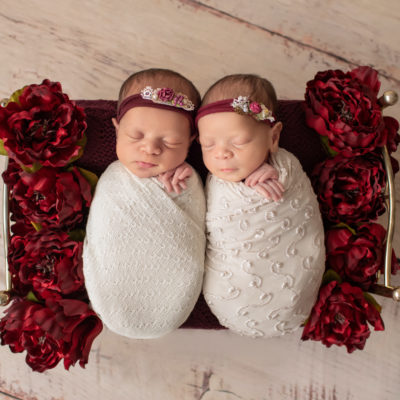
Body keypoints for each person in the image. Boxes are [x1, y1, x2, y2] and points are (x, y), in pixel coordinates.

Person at [196, 74, 325, 338]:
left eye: (239, 141)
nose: (221, 153)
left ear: (273, 137)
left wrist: (276, 176)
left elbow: (300, 212)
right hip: (231, 291)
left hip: (292, 282)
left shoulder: (286, 167)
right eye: (208, 144)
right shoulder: (214, 184)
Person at [83, 68, 206, 339]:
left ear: (190, 143)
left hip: (171, 280)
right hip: (116, 273)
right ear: (117, 130)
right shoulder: (114, 177)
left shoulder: (186, 179)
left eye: (171, 141)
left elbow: (198, 225)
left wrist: (188, 187)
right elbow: (103, 229)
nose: (150, 149)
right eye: (136, 136)